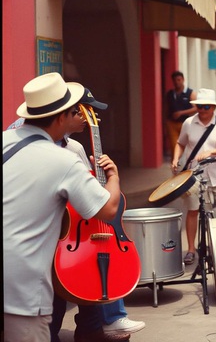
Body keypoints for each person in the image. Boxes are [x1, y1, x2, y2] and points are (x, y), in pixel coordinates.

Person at [3, 73, 121, 342]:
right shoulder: (62, 160)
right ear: (61, 118)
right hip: (22, 290)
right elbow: (108, 208)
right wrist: (113, 176)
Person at [49, 88, 144, 341]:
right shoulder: (31, 144)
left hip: (76, 228)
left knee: (91, 292)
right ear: (66, 113)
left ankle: (106, 321)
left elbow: (95, 194)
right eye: (82, 112)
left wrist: (104, 175)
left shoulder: (75, 147)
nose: (87, 118)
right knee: (52, 309)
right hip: (52, 233)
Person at [171, 88, 216, 265]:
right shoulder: (189, 122)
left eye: (206, 106)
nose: (202, 110)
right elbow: (180, 143)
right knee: (193, 211)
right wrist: (176, 158)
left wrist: (210, 152)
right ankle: (191, 249)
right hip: (194, 174)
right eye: (199, 106)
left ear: (213, 107)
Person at [165, 71, 197, 156]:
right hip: (172, 124)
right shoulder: (170, 94)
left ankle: (185, 165)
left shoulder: (190, 93)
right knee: (174, 146)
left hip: (186, 123)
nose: (177, 82)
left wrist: (181, 113)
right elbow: (166, 108)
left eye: (179, 80)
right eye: (175, 80)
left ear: (183, 80)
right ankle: (175, 165)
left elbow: (196, 108)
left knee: (187, 146)